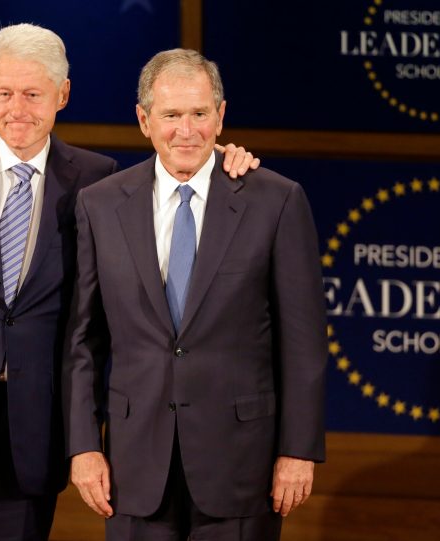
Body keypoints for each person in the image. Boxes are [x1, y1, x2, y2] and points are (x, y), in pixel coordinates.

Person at [0, 25, 259, 541]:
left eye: (32, 94)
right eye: (4, 93)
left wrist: (224, 158)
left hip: (28, 435)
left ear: (62, 95)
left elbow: (178, 158)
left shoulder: (98, 181)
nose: (16, 109)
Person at [63, 48, 328, 541]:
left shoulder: (275, 201)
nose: (186, 131)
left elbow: (303, 342)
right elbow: (83, 342)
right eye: (171, 115)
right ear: (144, 120)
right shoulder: (100, 205)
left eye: (200, 114)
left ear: (220, 116)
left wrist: (298, 450)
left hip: (242, 464)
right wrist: (84, 446)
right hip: (133, 466)